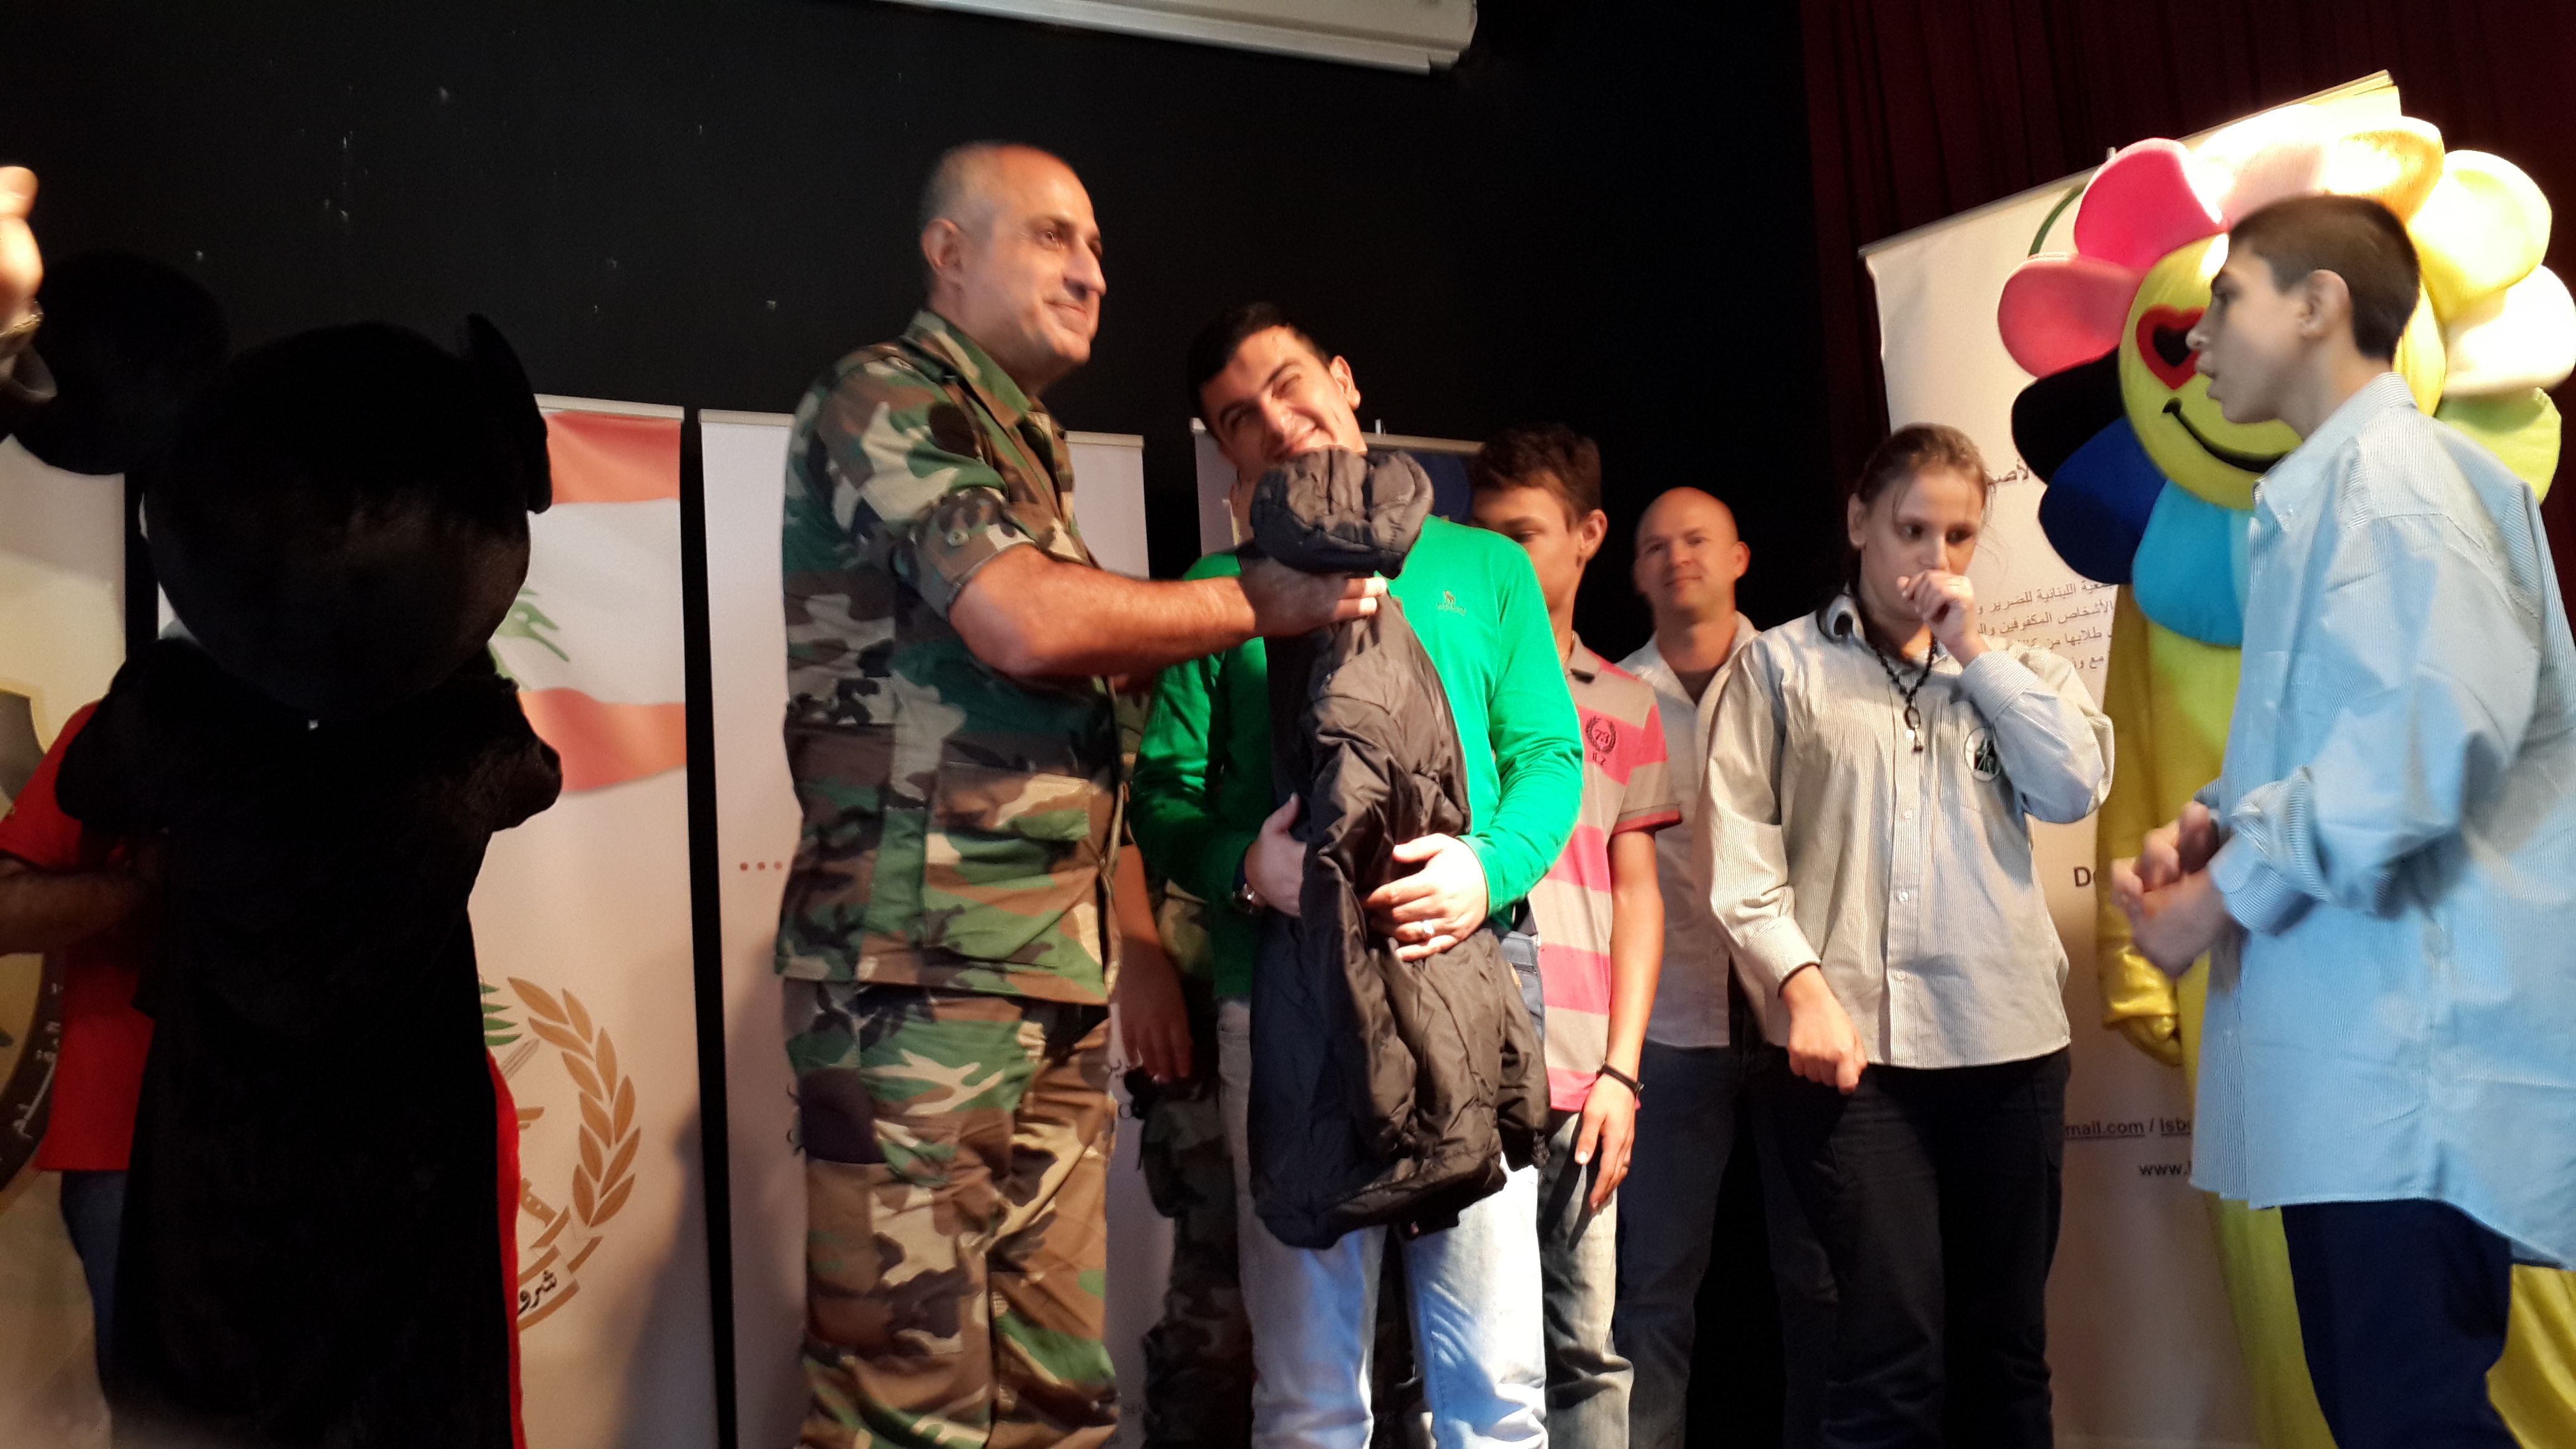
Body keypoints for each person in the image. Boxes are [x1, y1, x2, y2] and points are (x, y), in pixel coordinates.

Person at [775, 151, 1375, 1449]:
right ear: (948, 250)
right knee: (903, 1403)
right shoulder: (887, 395)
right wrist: (1261, 600)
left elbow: (1073, 708)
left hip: (1043, 977)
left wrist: (1129, 946)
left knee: (1056, 1398)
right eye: (1053, 237)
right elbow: (1024, 622)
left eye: (1096, 245)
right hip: (915, 979)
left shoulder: (1026, 450)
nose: (1091, 271)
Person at [2114, 193, 2576, 1449]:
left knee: (2408, 1417)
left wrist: (2220, 895)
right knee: (2391, 1414)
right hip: (2368, 1066)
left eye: (2226, 298)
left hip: (2402, 1063)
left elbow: (2426, 738)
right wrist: (2214, 823)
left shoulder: (2396, 483)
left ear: (2318, 305)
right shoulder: (2341, 492)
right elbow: (2355, 733)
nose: (2196, 336)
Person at [1138, 301, 1581, 1449]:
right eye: (1238, 417)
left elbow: (1549, 755)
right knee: (1310, 1398)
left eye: (1288, 384)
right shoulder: (1214, 589)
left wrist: (1485, 870)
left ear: (1342, 379)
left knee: (1493, 1391)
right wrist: (1249, 867)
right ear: (1225, 452)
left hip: (1467, 974)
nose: (1275, 421)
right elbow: (1163, 796)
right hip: (1280, 1002)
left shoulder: (1484, 565)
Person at [1707, 423, 2112, 1447]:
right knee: (1885, 1354)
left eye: (1958, 535)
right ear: (1859, 521)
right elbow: (1742, 856)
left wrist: (1973, 654)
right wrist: (1797, 985)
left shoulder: (2018, 668)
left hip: (2008, 1046)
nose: (1932, 558)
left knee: (2005, 1351)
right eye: (1911, 529)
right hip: (1857, 1058)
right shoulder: (1779, 668)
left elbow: (2072, 786)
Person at [1611, 486, 1835, 1449]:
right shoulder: (1610, 699)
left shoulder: (1804, 674)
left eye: (1697, 538)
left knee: (1820, 1277)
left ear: (1741, 555)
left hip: (1801, 1017)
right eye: (1655, 545)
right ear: (1633, 572)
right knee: (1651, 1289)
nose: (1678, 557)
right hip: (1671, 1025)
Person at [1465, 427, 1676, 1448]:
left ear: (1588, 534)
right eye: (1482, 534)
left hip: (1586, 1073)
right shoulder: (1450, 682)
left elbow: (1638, 897)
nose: (1498, 557)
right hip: (1471, 1064)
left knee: (1586, 1349)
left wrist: (1622, 1073)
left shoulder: (1626, 703)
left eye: (1521, 534)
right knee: (1467, 1352)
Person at [0, 704, 155, 1383]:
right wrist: (145, 887)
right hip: (129, 1147)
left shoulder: (357, 731)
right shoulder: (123, 726)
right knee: (156, 1409)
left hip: (316, 1145)